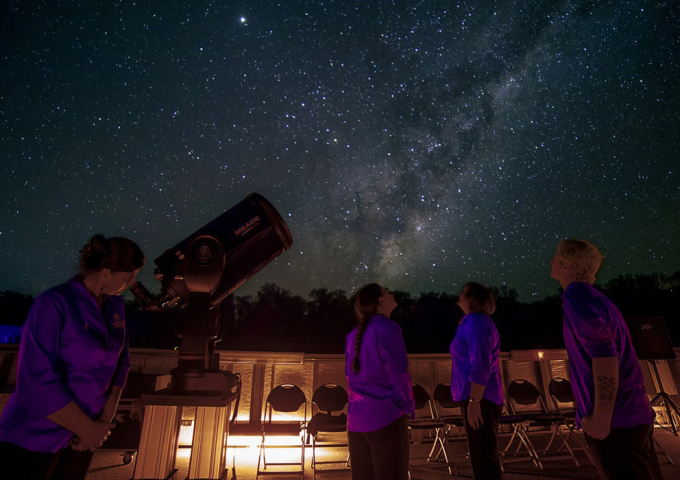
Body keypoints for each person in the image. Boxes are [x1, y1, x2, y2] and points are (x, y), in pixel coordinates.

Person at [0, 234, 145, 480]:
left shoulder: (115, 307)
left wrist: (102, 424)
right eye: (128, 276)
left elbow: (121, 365)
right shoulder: (54, 303)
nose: (132, 283)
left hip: (85, 437)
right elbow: (37, 380)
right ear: (106, 273)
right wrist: (87, 428)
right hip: (35, 436)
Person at [550, 239, 663, 480]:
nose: (551, 261)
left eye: (556, 258)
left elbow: (605, 357)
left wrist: (601, 418)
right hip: (630, 416)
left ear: (568, 266)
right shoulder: (595, 298)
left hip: (617, 422)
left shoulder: (577, 298)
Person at [345, 283, 415, 480]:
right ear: (381, 301)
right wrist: (409, 406)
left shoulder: (353, 336)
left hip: (356, 423)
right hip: (386, 419)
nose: (392, 292)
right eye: (387, 291)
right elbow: (399, 374)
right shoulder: (389, 328)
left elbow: (349, 376)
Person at [450, 282, 504, 480]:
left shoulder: (476, 322)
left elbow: (481, 363)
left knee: (484, 459)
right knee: (482, 457)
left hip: (481, 398)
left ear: (474, 299)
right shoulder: (472, 322)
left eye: (464, 293)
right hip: (478, 396)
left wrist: (474, 402)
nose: (460, 294)